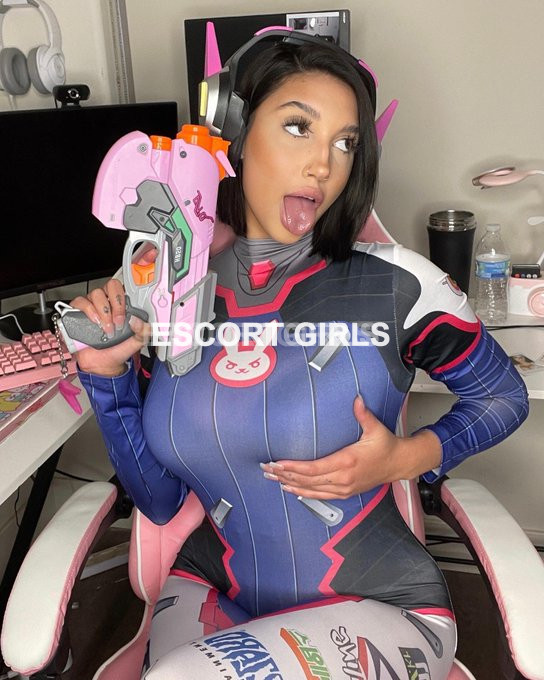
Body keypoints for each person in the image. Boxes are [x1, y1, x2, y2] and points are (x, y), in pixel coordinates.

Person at [71, 33, 528, 679]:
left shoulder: (396, 283)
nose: (324, 165)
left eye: (346, 143)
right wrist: (106, 373)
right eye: (297, 127)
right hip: (213, 589)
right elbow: (162, 499)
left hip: (378, 602)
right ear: (235, 136)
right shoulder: (172, 289)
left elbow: (503, 395)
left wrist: (406, 459)